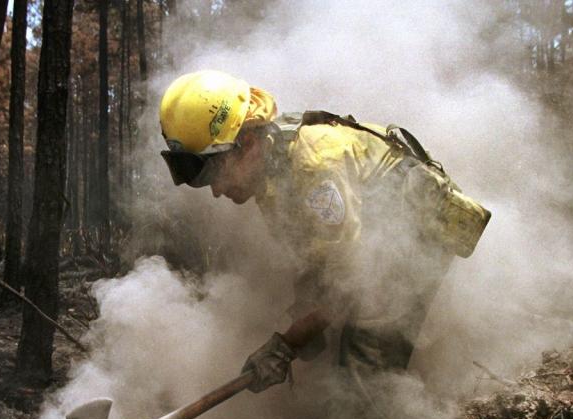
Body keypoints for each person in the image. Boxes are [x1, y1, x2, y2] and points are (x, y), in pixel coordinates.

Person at [158, 70, 490, 395]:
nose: (215, 190)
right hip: (374, 241)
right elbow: (319, 256)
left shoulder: (314, 165)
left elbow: (348, 282)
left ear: (246, 143)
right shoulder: (272, 168)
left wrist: (287, 345)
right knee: (338, 347)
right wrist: (303, 315)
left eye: (213, 171)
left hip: (412, 233)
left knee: (364, 370)